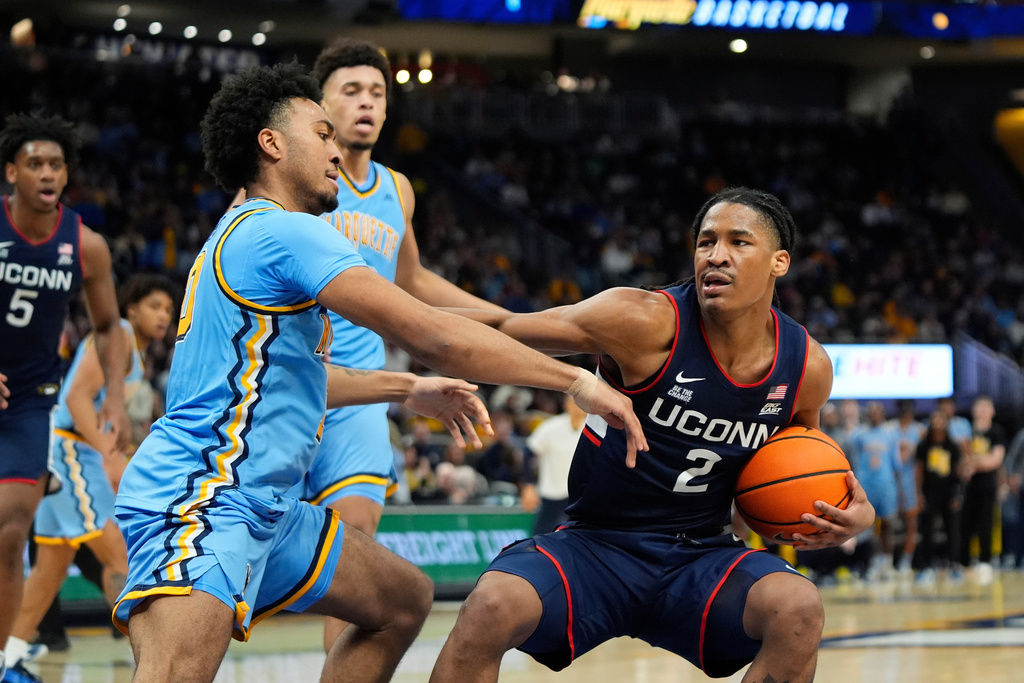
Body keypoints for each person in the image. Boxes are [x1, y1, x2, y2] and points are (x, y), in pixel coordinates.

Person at [112, 62, 646, 683]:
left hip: (268, 507)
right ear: (271, 143)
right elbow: (435, 334)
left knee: (402, 600)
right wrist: (577, 379)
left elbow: (300, 383)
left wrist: (407, 387)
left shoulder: (250, 237)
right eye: (322, 133)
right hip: (203, 498)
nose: (336, 149)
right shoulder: (282, 232)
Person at [430, 187, 875, 683]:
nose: (716, 255)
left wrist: (850, 513)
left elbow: (805, 468)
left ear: (779, 262)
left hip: (702, 554)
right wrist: (377, 316)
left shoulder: (807, 366)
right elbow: (505, 324)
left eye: (738, 242)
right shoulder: (641, 320)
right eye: (706, 242)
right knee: (489, 604)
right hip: (596, 546)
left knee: (798, 607)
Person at [236, 39, 510, 652]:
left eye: (378, 93)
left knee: (353, 543)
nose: (366, 103)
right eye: (351, 91)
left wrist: (499, 317)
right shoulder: (283, 183)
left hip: (361, 394)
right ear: (319, 107)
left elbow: (410, 282)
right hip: (284, 387)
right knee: (232, 562)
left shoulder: (399, 190)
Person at [0, 112, 130, 682]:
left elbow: (107, 327)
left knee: (11, 531)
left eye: (56, 164)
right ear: (12, 173)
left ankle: (3, 660)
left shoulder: (87, 245)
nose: (48, 173)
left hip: (30, 401)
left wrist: (118, 397)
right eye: (35, 163)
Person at [4, 275, 176, 677]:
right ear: (131, 308)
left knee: (49, 569)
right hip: (70, 453)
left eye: (168, 309)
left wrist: (124, 448)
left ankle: (5, 659)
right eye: (154, 306)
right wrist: (110, 453)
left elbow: (105, 413)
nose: (163, 315)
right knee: (120, 555)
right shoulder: (116, 335)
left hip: (68, 451)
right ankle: (152, 660)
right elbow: (77, 398)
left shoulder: (138, 349)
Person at [847, 401, 901, 581]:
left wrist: (899, 490)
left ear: (883, 414)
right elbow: (852, 461)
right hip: (866, 486)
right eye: (871, 412)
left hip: (886, 486)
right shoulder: (858, 435)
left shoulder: (891, 435)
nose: (874, 414)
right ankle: (872, 563)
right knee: (867, 528)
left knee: (886, 525)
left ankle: (887, 563)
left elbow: (896, 464)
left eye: (878, 411)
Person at [958, 395, 1006, 585]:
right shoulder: (967, 430)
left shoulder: (996, 432)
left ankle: (986, 561)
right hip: (968, 485)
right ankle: (963, 562)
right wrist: (969, 464)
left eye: (987, 408)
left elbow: (995, 460)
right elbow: (961, 460)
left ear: (992, 412)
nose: (983, 411)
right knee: (965, 523)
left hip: (987, 485)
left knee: (986, 522)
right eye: (980, 408)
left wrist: (973, 463)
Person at [914, 410, 963, 586]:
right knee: (926, 531)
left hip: (948, 493)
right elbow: (918, 470)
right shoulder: (924, 445)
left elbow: (958, 471)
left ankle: (954, 566)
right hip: (929, 493)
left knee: (952, 530)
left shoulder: (952, 445)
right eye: (934, 418)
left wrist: (958, 494)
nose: (937, 421)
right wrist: (918, 493)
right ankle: (926, 567)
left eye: (941, 418)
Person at [526, 395, 586, 535]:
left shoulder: (593, 429)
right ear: (567, 405)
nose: (579, 407)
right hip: (552, 493)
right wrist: (529, 485)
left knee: (578, 536)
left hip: (581, 494)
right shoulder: (551, 427)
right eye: (575, 403)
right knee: (542, 536)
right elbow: (529, 453)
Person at [892, 399, 925, 573]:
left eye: (909, 409)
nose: (906, 413)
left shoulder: (920, 431)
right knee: (887, 523)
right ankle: (886, 560)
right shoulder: (890, 430)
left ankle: (906, 560)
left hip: (912, 483)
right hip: (892, 482)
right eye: (903, 409)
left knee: (912, 525)